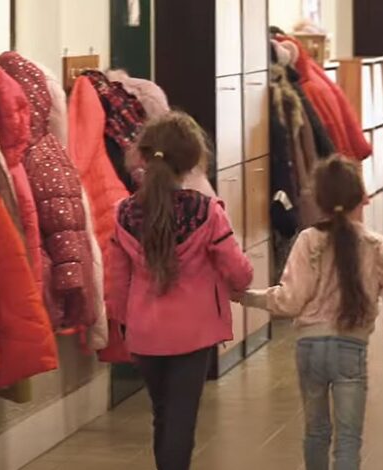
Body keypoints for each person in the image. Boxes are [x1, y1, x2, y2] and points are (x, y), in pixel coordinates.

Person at [240, 155, 383, 470]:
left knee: (316, 432)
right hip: (351, 349)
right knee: (348, 440)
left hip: (309, 349)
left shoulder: (308, 241)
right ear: (362, 198)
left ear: (318, 201)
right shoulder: (376, 245)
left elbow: (290, 300)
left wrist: (248, 298)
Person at [106, 111, 253, 470]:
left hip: (144, 334)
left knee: (162, 415)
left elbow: (116, 283)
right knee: (180, 421)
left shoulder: (123, 214)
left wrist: (126, 323)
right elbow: (239, 271)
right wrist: (241, 284)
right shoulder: (207, 212)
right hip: (193, 334)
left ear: (144, 155)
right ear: (191, 161)